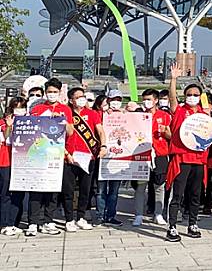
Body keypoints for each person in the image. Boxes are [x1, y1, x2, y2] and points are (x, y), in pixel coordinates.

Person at [165, 63, 212, 242]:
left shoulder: (204, 116)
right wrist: (173, 79)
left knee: (196, 194)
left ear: (200, 97)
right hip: (182, 158)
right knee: (178, 194)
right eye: (189, 95)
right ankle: (172, 226)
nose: (192, 97)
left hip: (199, 159)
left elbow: (211, 133)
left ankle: (192, 223)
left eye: (195, 95)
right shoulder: (180, 111)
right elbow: (172, 98)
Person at [28, 77, 74, 236]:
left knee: (53, 190)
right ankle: (33, 222)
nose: (52, 94)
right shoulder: (38, 108)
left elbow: (71, 132)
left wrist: (63, 123)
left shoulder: (65, 109)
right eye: (49, 92)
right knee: (36, 190)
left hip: (57, 155)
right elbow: (29, 129)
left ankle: (48, 220)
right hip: (40, 154)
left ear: (60, 92)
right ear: (45, 93)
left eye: (55, 92)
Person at [62, 87, 107, 232]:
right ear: (71, 100)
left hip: (88, 157)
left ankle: (81, 217)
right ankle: (69, 219)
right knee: (68, 190)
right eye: (78, 97)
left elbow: (100, 131)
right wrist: (66, 154)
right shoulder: (66, 113)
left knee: (85, 189)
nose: (82, 99)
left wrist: (104, 145)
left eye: (83, 96)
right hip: (69, 157)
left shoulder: (92, 114)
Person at [132, 89, 171, 227]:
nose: (146, 102)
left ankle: (158, 214)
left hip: (160, 154)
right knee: (140, 186)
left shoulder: (165, 116)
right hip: (142, 154)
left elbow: (171, 136)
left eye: (149, 99)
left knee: (159, 185)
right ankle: (138, 215)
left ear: (156, 100)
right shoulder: (138, 116)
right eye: (144, 99)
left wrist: (166, 133)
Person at [96, 89, 125, 227]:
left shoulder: (125, 115)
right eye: (113, 100)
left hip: (119, 157)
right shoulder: (101, 115)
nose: (116, 103)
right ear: (107, 100)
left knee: (114, 190)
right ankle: (100, 215)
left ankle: (111, 215)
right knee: (101, 190)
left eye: (119, 100)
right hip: (104, 156)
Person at [0, 97, 27, 236]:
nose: (19, 109)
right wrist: (9, 125)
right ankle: (4, 224)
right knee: (6, 194)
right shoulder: (3, 122)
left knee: (18, 194)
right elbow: (5, 138)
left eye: (22, 107)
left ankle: (14, 222)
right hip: (6, 162)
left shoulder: (28, 122)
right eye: (16, 107)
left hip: (22, 163)